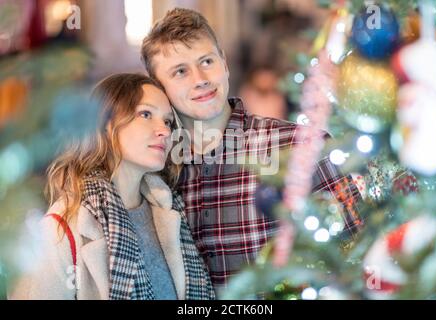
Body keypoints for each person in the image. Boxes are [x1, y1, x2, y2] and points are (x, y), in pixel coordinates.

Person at [141, 8, 362, 293]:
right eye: (180, 71)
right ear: (160, 88)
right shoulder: (156, 171)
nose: (200, 79)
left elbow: (361, 255)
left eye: (207, 61)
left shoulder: (301, 147)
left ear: (225, 63)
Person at [10, 73, 215, 300]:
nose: (164, 131)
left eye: (167, 121)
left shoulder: (173, 212)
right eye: (146, 114)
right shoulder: (59, 228)